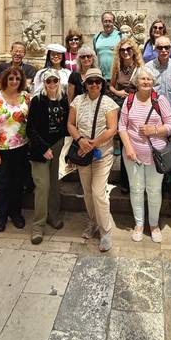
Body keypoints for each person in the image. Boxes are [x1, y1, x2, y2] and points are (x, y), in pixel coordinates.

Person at [118, 68, 171, 243]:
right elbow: (122, 126)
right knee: (136, 189)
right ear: (136, 81)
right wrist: (128, 148)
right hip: (133, 154)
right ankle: (139, 224)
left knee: (154, 190)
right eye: (142, 78)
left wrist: (154, 130)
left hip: (156, 155)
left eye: (149, 79)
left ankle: (154, 224)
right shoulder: (130, 100)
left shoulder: (160, 100)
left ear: (153, 81)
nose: (146, 82)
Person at [67, 68, 118, 251]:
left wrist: (93, 143)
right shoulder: (78, 101)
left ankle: (106, 232)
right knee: (87, 192)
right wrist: (81, 141)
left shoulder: (108, 103)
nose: (94, 84)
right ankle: (93, 222)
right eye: (90, 82)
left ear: (102, 84)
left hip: (101, 153)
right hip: (82, 152)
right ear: (85, 85)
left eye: (97, 81)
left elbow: (112, 129)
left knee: (98, 192)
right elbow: (71, 124)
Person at [26, 69, 69, 244]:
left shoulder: (63, 100)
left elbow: (66, 125)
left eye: (55, 81)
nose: (52, 84)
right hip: (40, 149)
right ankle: (38, 226)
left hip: (58, 146)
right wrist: (43, 147)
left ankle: (53, 215)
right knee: (42, 186)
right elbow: (30, 128)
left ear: (59, 82)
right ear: (44, 83)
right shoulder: (37, 101)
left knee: (55, 184)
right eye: (48, 81)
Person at [0, 67, 31, 233]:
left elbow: (31, 122)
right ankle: (1, 216)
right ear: (5, 79)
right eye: (11, 78)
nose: (14, 81)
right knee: (2, 183)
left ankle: (16, 213)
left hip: (21, 147)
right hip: (2, 148)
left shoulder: (26, 97)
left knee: (18, 182)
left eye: (17, 79)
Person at [110, 38, 144, 192]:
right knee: (125, 144)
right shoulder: (117, 67)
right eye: (122, 50)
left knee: (138, 142)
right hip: (122, 108)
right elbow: (110, 86)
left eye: (128, 49)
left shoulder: (140, 68)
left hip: (136, 108)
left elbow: (145, 87)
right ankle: (126, 182)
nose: (125, 52)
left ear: (134, 51)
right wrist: (119, 92)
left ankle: (139, 181)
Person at [146, 36, 171, 111]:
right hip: (152, 111)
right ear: (156, 49)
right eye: (160, 48)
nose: (164, 50)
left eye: (166, 47)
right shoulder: (148, 68)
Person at [92, 11, 121, 81]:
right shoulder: (96, 37)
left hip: (117, 78)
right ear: (102, 22)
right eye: (105, 21)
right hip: (101, 78)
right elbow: (95, 56)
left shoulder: (120, 36)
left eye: (110, 21)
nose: (107, 24)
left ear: (113, 23)